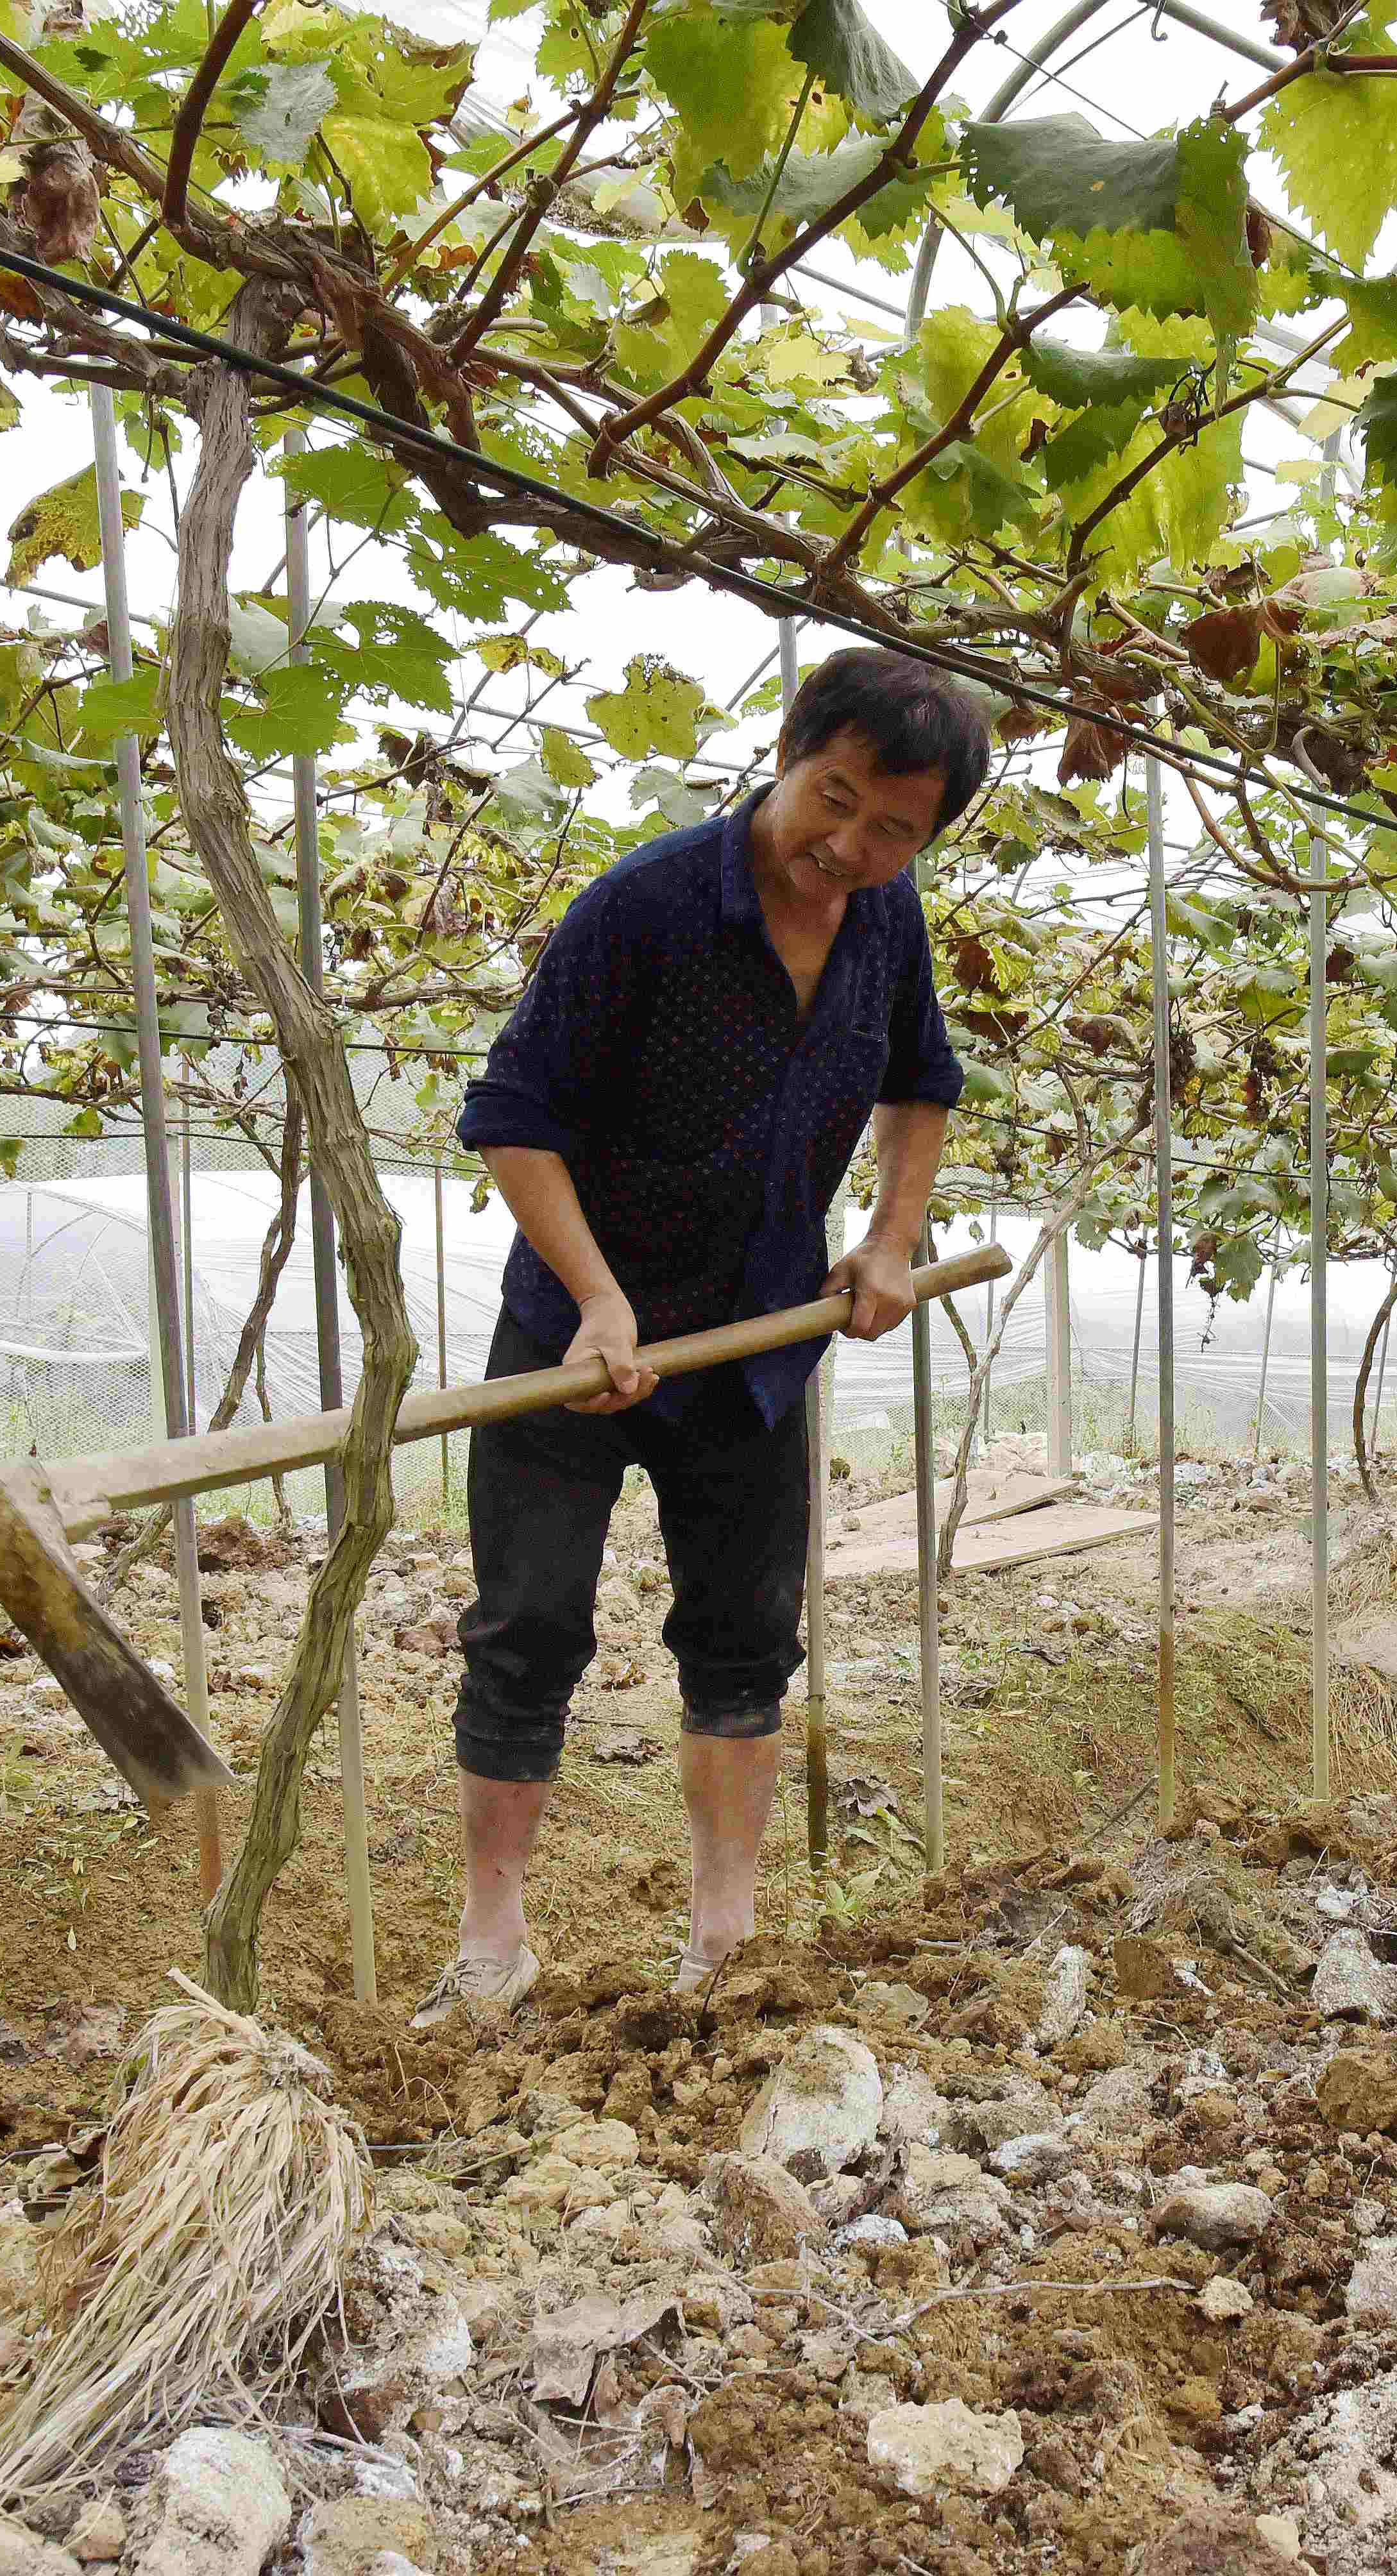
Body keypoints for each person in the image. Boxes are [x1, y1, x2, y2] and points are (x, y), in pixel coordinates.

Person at [428, 648, 990, 2028]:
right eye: (833, 798)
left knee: (742, 1638)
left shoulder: (883, 916)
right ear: (788, 750)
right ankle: (492, 1946)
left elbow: (921, 1081)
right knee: (526, 1628)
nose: (847, 846)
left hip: (756, 1343)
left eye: (893, 830)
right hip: (574, 1346)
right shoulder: (647, 906)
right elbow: (515, 1112)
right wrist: (598, 1297)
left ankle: (722, 1944)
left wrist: (888, 1239)